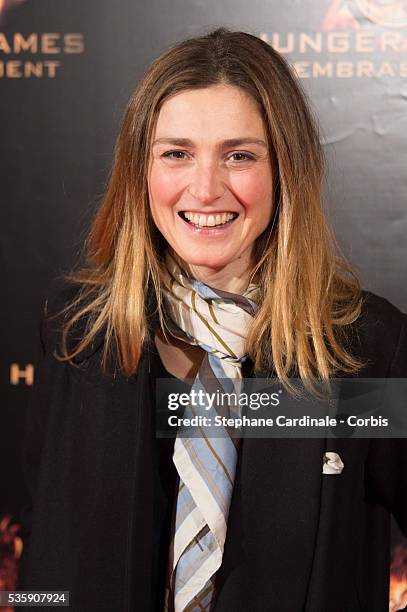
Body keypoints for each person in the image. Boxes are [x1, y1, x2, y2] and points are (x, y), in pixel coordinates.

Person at [17, 27, 407, 612]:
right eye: (176, 153)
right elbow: (51, 546)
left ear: (285, 172)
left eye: (240, 155)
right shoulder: (79, 336)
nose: (204, 188)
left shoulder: (364, 347)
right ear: (139, 172)